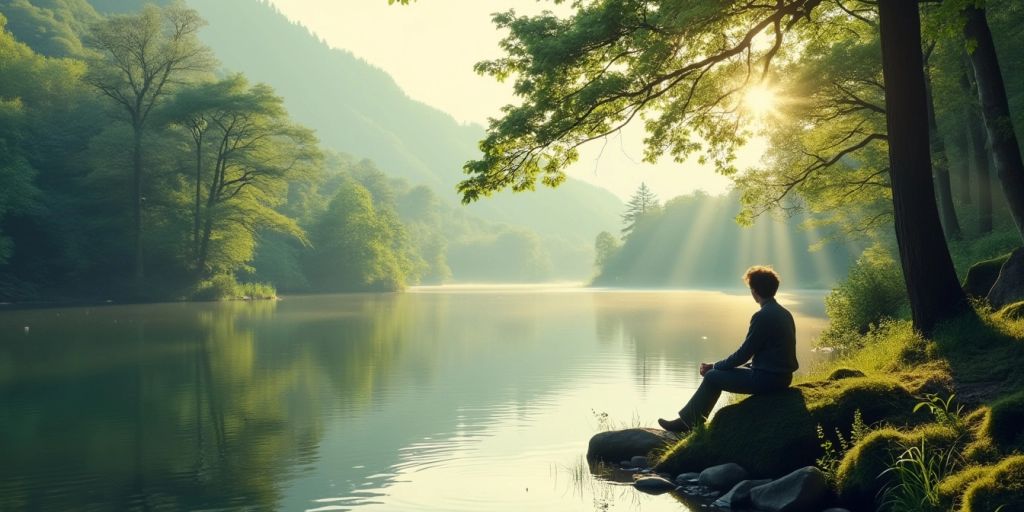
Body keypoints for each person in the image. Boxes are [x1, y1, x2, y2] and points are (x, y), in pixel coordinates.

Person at [658, 265, 798, 433]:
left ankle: (687, 423)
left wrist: (714, 366)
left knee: (712, 377)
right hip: (781, 377)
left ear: (754, 291)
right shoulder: (783, 312)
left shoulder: (763, 316)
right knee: (719, 373)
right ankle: (690, 420)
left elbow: (743, 354)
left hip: (768, 380)